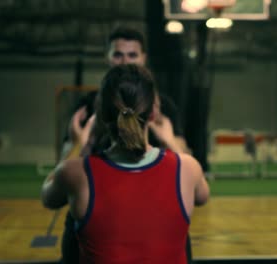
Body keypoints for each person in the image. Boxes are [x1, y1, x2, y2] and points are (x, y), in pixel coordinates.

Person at [42, 64, 210, 264]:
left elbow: (48, 198)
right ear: (152, 114)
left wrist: (79, 143)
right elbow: (202, 195)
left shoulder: (74, 173)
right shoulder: (188, 168)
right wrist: (170, 141)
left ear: (102, 116)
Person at [59, 26, 192, 263]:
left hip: (156, 209)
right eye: (118, 54)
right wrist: (83, 143)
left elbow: (185, 163)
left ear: (143, 58)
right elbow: (65, 173)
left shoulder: (163, 107)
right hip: (101, 210)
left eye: (132, 55)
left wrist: (167, 140)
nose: (124, 61)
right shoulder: (88, 106)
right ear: (107, 57)